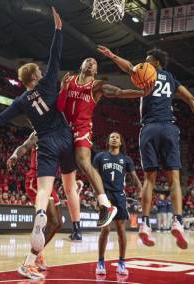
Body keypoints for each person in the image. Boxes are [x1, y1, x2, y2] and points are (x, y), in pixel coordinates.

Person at [0, 8, 104, 280]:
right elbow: (55, 55)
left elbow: (0, 118)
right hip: (64, 137)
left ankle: (39, 214)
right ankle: (81, 215)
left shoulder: (21, 101)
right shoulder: (49, 82)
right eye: (39, 70)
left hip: (45, 141)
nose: (42, 69)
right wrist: (58, 30)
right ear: (36, 76)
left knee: (45, 189)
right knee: (71, 182)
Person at [98, 45, 194, 249]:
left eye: (148, 59)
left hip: (149, 129)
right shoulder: (170, 78)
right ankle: (177, 221)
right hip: (169, 128)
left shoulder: (146, 72)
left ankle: (144, 223)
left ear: (156, 62)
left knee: (149, 179)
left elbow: (129, 68)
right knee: (174, 179)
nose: (145, 62)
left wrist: (113, 55)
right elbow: (191, 98)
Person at [57, 56, 154, 230]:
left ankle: (105, 204)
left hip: (82, 128)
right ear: (81, 65)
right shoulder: (69, 80)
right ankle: (71, 196)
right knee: (62, 168)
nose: (90, 63)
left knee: (83, 161)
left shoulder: (97, 86)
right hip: (64, 128)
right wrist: (62, 89)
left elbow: (119, 92)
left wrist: (141, 93)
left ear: (96, 71)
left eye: (94, 63)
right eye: (87, 61)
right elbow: (60, 106)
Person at [7, 131, 83, 270]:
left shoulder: (63, 134)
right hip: (35, 180)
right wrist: (15, 155)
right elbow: (24, 147)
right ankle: (31, 258)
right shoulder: (38, 132)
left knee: (58, 223)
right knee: (53, 222)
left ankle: (38, 253)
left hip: (49, 180)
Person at [93, 132, 142, 276]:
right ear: (108, 141)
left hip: (120, 196)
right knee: (105, 229)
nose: (114, 138)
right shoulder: (100, 157)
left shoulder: (126, 159)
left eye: (117, 137)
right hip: (105, 195)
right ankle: (101, 262)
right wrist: (98, 197)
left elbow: (134, 177)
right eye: (111, 137)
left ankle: (121, 262)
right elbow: (93, 177)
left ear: (121, 143)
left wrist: (141, 191)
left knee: (121, 230)